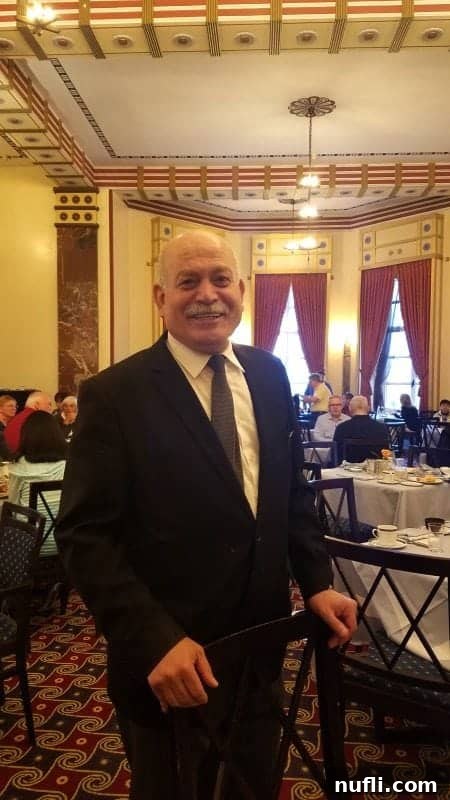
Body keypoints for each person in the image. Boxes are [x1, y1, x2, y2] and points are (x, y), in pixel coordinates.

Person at [55, 230, 356, 800]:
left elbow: (287, 492)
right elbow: (84, 536)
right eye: (188, 281)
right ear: (159, 296)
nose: (207, 294)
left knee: (253, 781)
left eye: (220, 279)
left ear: (241, 289)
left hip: (261, 644)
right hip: (170, 660)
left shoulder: (269, 375)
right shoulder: (115, 394)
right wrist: (154, 640)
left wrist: (315, 581)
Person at [8, 411, 67, 556]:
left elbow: (13, 508)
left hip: (29, 547)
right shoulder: (70, 467)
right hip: (65, 544)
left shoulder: (19, 469)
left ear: (26, 437)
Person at [333, 394, 390, 464]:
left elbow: (335, 455)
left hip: (347, 471)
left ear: (350, 408)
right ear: (368, 408)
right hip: (373, 471)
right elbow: (386, 455)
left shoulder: (341, 428)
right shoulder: (381, 428)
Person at [4, 390, 52, 455]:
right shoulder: (39, 419)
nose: (51, 408)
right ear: (37, 405)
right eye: (49, 404)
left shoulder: (16, 418)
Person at [0, 394, 17, 459]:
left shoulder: (11, 425)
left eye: (15, 406)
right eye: (10, 406)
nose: (14, 408)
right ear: (0, 408)